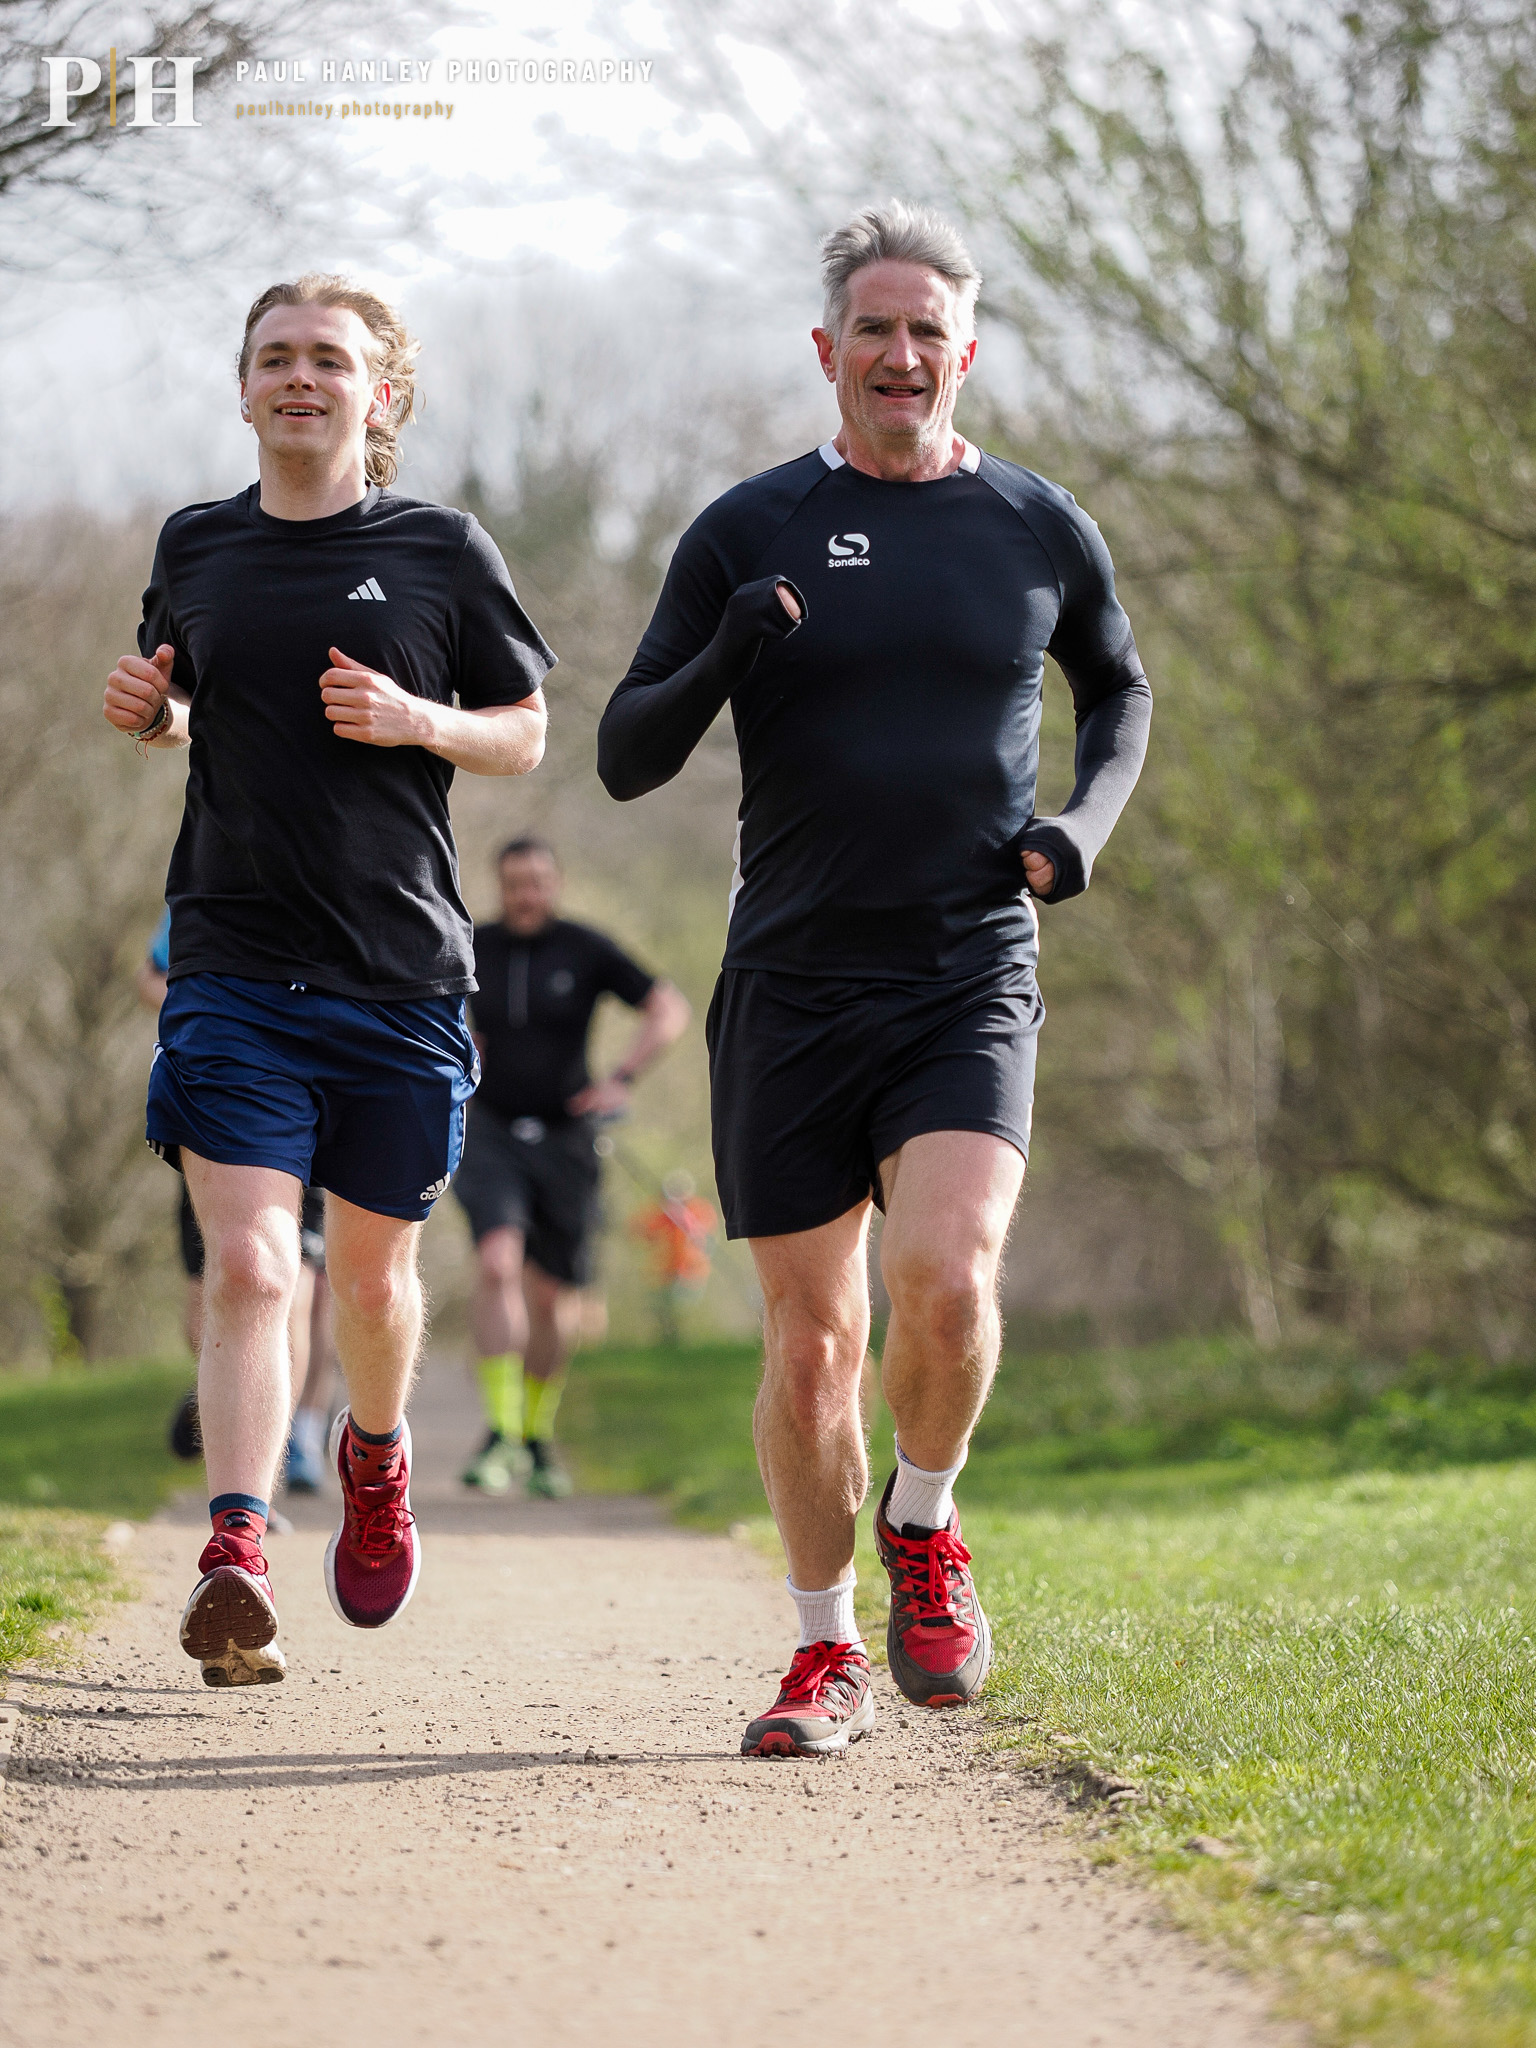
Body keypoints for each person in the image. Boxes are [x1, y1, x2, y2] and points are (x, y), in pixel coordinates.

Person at [599, 203, 1151, 1757]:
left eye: (930, 332)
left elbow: (1118, 685)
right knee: (813, 1340)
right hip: (790, 979)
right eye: (875, 330)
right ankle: (822, 1648)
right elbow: (627, 755)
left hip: (966, 964)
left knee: (952, 1276)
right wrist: (724, 654)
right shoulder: (746, 529)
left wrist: (1081, 830)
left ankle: (927, 1523)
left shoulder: (1038, 525)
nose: (902, 355)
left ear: (963, 352)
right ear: (826, 350)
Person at [102, 273, 551, 1686]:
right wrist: (155, 713)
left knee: (369, 1283)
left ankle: (375, 1456)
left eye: (330, 361)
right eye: (276, 358)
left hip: (402, 972)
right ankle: (236, 1545)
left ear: (382, 395)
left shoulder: (442, 549)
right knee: (249, 1262)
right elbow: (191, 700)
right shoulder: (197, 544)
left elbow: (527, 732)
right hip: (232, 960)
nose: (302, 378)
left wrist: (418, 717)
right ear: (243, 389)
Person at [453, 835, 690, 1496]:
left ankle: (535, 1435)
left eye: (537, 882)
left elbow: (667, 1008)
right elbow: (421, 1005)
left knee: (555, 1297)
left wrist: (622, 1079)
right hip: (490, 1130)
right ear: (501, 886)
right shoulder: (473, 944)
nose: (526, 894)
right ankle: (499, 1432)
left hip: (567, 1137)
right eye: (514, 883)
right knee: (498, 1264)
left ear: (554, 885)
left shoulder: (586, 948)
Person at [140, 909, 335, 1483]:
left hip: (313, 1101)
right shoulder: (210, 877)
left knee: (295, 1288)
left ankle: (288, 1442)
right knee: (215, 1287)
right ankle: (228, 1387)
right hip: (222, 1094)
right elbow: (150, 974)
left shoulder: (339, 871)